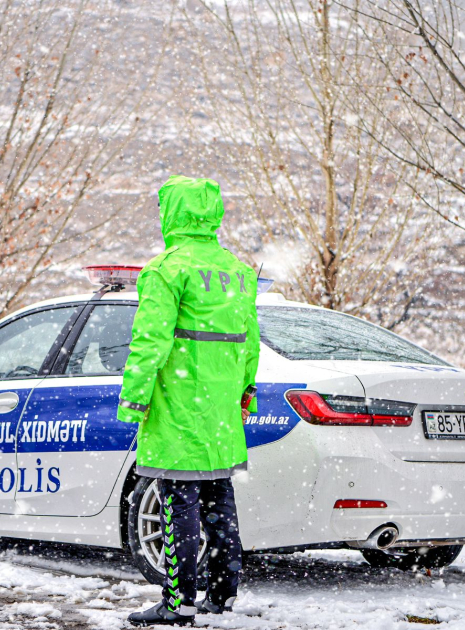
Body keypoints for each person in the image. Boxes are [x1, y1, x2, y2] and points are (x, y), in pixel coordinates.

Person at [117, 175, 260, 627]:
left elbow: (149, 341)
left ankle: (177, 601)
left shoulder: (165, 269)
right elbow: (250, 342)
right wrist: (245, 392)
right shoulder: (237, 271)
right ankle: (222, 592)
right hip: (221, 409)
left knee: (180, 502)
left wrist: (134, 398)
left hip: (179, 406)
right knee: (220, 498)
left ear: (172, 213)